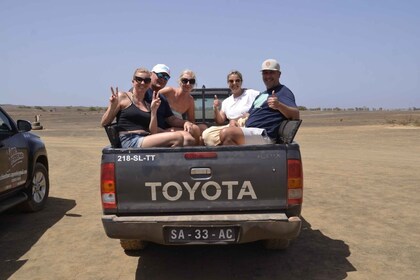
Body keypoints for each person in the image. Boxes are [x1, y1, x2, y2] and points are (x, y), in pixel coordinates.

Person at [220, 59, 300, 145]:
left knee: (227, 133)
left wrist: (278, 105)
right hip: (249, 130)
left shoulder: (283, 91)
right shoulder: (261, 95)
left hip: (264, 134)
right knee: (209, 134)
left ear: (279, 74)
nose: (268, 76)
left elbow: (296, 115)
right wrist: (235, 121)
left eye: (271, 72)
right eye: (265, 73)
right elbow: (247, 115)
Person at [101, 67, 184, 148]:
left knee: (181, 138)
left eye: (146, 80)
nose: (143, 83)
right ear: (133, 81)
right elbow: (104, 123)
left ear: (149, 84)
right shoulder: (123, 97)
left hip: (146, 138)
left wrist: (154, 111)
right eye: (139, 79)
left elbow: (153, 132)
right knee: (177, 137)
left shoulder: (147, 103)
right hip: (130, 139)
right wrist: (112, 106)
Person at [201, 70, 259, 146]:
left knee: (230, 131)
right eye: (231, 81)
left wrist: (250, 114)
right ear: (228, 83)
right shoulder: (226, 101)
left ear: (241, 82)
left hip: (246, 125)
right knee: (207, 134)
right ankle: (228, 139)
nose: (234, 83)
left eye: (237, 81)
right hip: (230, 126)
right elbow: (220, 121)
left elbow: (263, 102)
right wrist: (215, 108)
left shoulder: (251, 93)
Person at [148, 64, 201, 145]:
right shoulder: (168, 91)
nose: (188, 84)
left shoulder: (190, 100)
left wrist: (186, 124)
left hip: (175, 123)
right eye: (185, 81)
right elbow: (155, 95)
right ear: (179, 81)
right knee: (189, 136)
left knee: (197, 128)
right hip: (163, 124)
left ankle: (198, 151)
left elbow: (191, 120)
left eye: (191, 81)